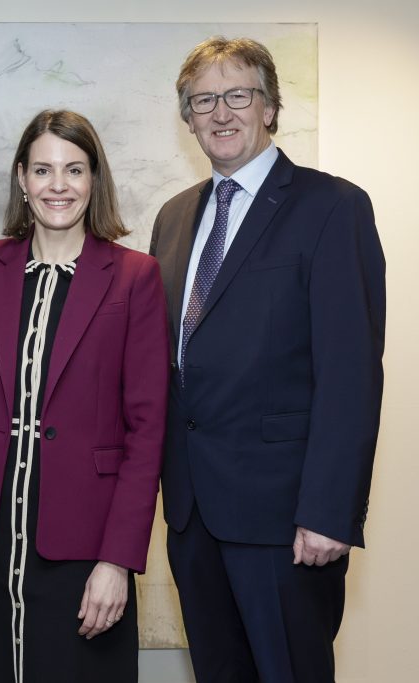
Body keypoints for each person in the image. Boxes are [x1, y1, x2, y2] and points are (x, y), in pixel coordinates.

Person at [150, 37, 386, 682]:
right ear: (188, 117)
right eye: (203, 100)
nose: (221, 113)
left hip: (287, 521)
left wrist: (328, 512)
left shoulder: (332, 207)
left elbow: (352, 374)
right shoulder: (173, 219)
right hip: (194, 514)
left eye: (238, 95)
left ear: (271, 106)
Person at [0, 110, 169, 682]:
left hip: (85, 549)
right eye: (43, 170)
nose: (59, 185)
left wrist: (118, 560)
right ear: (22, 180)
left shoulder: (134, 278)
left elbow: (147, 431)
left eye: (74, 169)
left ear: (94, 180)